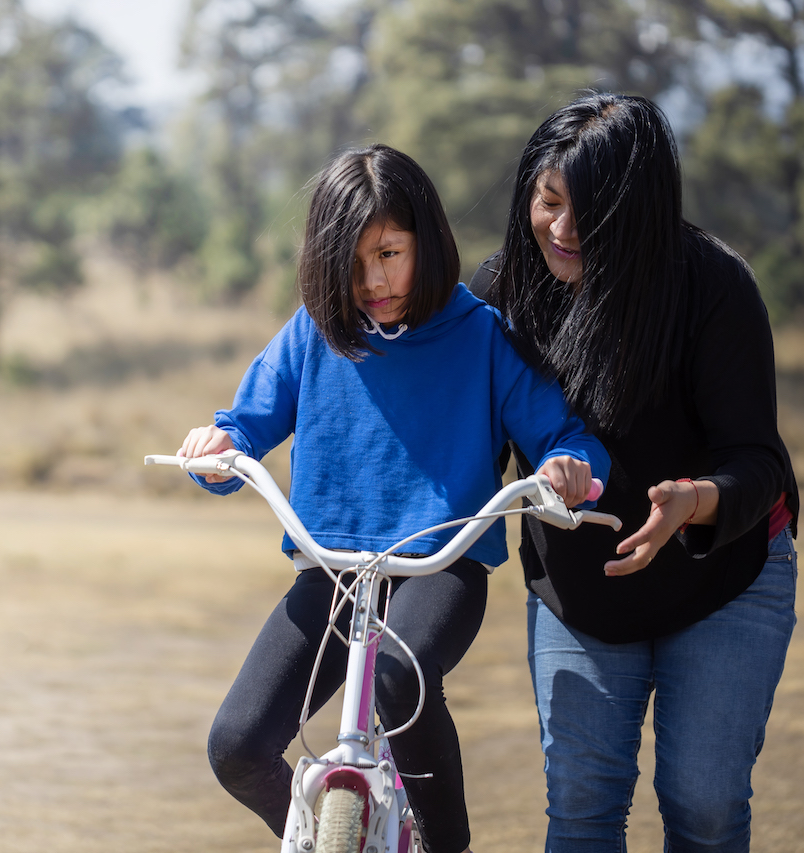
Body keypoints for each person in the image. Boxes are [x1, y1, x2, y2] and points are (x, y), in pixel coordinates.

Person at [176, 143, 610, 853]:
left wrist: (568, 464)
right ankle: (328, 833)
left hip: (439, 569)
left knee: (401, 674)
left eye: (389, 253)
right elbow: (242, 426)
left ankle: (445, 846)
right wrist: (218, 451)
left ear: (425, 241)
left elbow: (567, 438)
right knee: (238, 745)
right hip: (332, 569)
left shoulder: (482, 335)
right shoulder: (318, 332)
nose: (372, 280)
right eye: (351, 263)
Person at [469, 92, 799, 853]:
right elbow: (465, 443)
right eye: (548, 201)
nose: (561, 229)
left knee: (705, 804)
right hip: (582, 593)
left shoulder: (713, 287)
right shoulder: (501, 295)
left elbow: (759, 460)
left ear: (640, 211)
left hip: (725, 573)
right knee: (582, 803)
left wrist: (693, 500)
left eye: (590, 212)